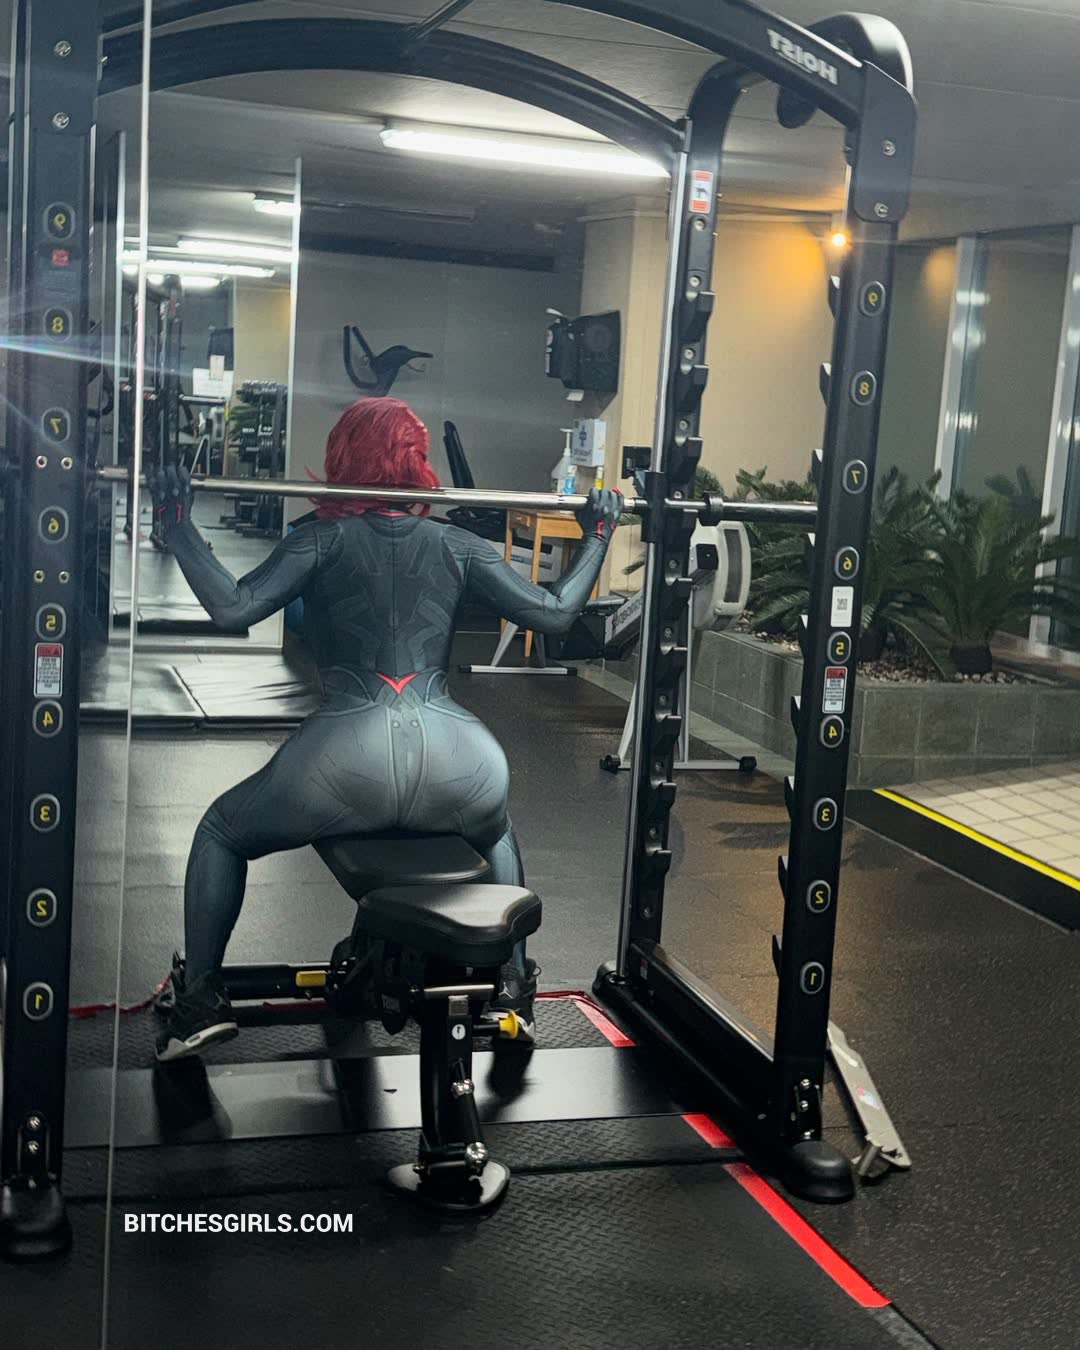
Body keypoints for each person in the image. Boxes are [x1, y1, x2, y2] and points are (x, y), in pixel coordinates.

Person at [151, 395, 622, 1061]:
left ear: (343, 459)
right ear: (416, 464)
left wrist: (177, 526)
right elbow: (553, 613)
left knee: (221, 832)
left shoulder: (319, 538)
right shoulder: (458, 544)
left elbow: (232, 609)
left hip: (345, 757)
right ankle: (514, 989)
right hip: (457, 756)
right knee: (495, 829)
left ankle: (200, 1000)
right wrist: (598, 534)